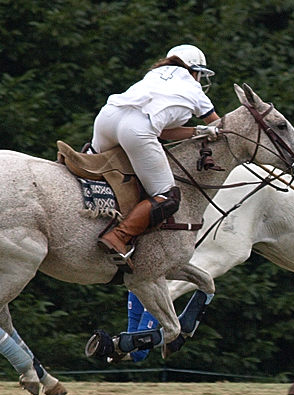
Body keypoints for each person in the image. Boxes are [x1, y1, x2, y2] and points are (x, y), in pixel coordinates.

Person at [91, 44, 221, 265]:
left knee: (91, 166)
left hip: (107, 118)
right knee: (167, 195)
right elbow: (219, 125)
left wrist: (196, 132)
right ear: (194, 70)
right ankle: (119, 236)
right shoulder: (196, 91)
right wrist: (210, 130)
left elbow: (158, 127)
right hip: (138, 129)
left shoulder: (153, 75)